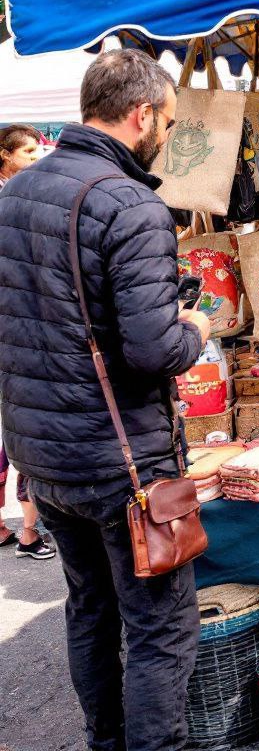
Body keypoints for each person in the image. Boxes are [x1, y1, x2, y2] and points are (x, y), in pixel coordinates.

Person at [0, 50, 212, 750]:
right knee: (159, 626)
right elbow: (154, 350)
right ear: (142, 114)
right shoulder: (131, 203)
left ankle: (104, 741)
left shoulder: (14, 193)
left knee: (90, 606)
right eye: (168, 122)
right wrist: (196, 328)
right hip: (122, 463)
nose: (167, 136)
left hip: (43, 455)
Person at [0, 124, 56, 559]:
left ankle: (15, 528)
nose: (38, 157)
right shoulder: (17, 201)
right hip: (20, 333)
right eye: (29, 151)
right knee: (26, 429)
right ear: (5, 155)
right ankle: (28, 533)